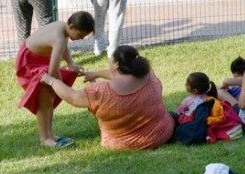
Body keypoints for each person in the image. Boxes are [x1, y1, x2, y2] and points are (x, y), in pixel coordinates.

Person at [42, 45, 176, 150]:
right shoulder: (148, 74)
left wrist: (51, 80)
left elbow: (72, 97)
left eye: (111, 59)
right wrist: (95, 74)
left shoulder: (101, 92)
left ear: (116, 64)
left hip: (123, 144)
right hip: (162, 134)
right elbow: (121, 76)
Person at [16, 12, 93, 148]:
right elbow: (53, 70)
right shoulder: (58, 37)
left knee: (49, 101)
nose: (81, 39)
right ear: (72, 26)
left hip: (39, 59)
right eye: (80, 35)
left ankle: (50, 135)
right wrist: (61, 88)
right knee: (44, 101)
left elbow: (63, 47)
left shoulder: (63, 28)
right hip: (29, 63)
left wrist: (70, 64)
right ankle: (45, 139)